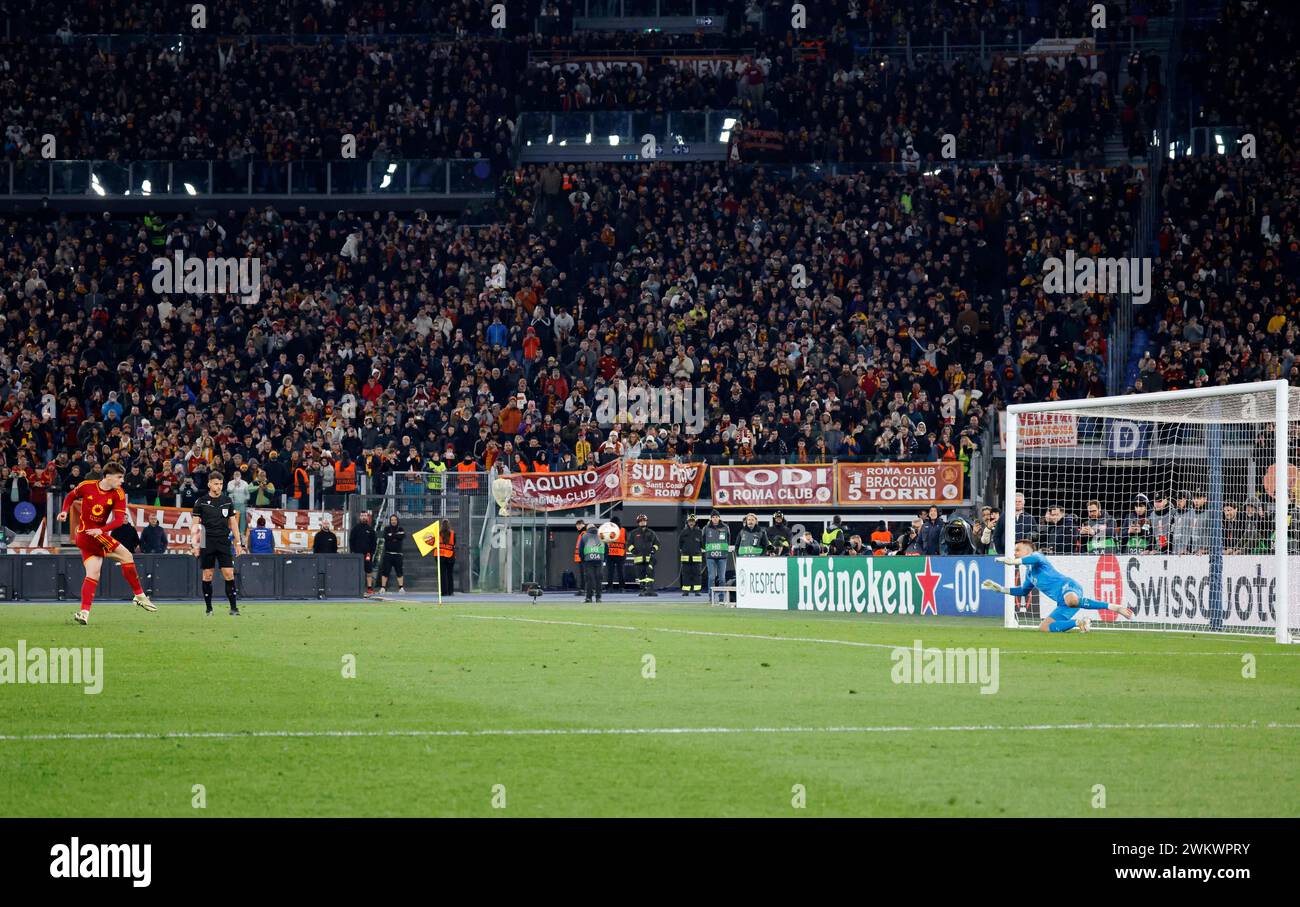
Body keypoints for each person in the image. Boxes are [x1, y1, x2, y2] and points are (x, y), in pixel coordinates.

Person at [56, 460, 156, 624]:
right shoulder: (87, 485)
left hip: (92, 536)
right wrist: (64, 511)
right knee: (127, 556)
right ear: (108, 477)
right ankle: (139, 596)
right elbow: (70, 496)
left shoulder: (119, 494)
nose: (122, 481)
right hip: (89, 536)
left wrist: (100, 530)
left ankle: (84, 612)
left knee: (93, 574)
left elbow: (118, 521)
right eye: (119, 477)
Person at [982, 539, 1134, 633]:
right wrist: (1001, 589)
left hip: (1068, 587)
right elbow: (1022, 591)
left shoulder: (1038, 556)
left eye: (1017, 550)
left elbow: (1028, 560)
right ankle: (1079, 623)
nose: (1014, 552)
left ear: (1028, 551)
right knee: (1044, 628)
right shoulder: (1029, 574)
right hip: (1062, 602)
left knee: (1072, 601)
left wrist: (1012, 562)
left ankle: (1115, 607)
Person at [191, 472, 244, 616]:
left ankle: (234, 608)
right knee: (207, 575)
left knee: (228, 573)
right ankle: (209, 609)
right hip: (206, 542)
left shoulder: (227, 501)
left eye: (220, 484)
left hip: (223, 542)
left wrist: (238, 543)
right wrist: (195, 545)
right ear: (209, 484)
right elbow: (196, 525)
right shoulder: (200, 502)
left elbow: (233, 523)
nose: (218, 486)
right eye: (216, 483)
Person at [627, 513, 660, 596]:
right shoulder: (633, 533)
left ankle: (650, 591)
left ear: (646, 522)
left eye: (644, 521)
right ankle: (643, 591)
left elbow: (657, 543)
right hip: (639, 559)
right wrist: (633, 550)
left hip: (649, 559)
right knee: (641, 576)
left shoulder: (651, 533)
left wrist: (653, 550)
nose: (642, 522)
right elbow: (629, 544)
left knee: (650, 575)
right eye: (641, 521)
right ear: (638, 522)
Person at [703, 511, 730, 602]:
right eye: (713, 517)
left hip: (722, 556)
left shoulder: (725, 527)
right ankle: (711, 597)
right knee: (711, 577)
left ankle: (722, 598)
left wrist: (723, 550)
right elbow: (703, 541)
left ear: (719, 517)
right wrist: (708, 550)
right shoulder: (706, 528)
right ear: (711, 518)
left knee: (722, 578)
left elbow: (728, 540)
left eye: (716, 517)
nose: (715, 518)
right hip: (710, 556)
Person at [349, 512, 378, 594]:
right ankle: (355, 588)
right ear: (360, 517)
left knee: (369, 571)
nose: (364, 517)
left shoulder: (370, 529)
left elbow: (374, 543)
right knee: (356, 571)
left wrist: (371, 553)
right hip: (357, 554)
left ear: (367, 517)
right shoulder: (355, 529)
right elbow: (351, 541)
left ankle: (369, 588)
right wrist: (353, 551)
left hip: (367, 555)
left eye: (365, 516)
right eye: (362, 516)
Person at [378, 514, 406, 594]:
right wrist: (396, 536)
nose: (393, 521)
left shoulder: (401, 528)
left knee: (399, 571)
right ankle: (383, 588)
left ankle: (401, 588)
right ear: (390, 521)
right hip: (388, 554)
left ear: (397, 520)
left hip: (398, 554)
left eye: (395, 520)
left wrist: (392, 536)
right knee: (385, 571)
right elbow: (386, 537)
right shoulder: (387, 528)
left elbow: (402, 536)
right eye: (392, 520)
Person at [578, 521, 605, 603]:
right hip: (599, 560)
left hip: (588, 560)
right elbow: (606, 549)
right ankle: (598, 598)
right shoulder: (601, 535)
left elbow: (581, 550)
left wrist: (583, 559)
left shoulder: (584, 536)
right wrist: (603, 558)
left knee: (589, 580)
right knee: (598, 580)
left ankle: (589, 598)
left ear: (587, 529)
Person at [678, 514, 704, 595]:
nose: (691, 523)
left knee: (697, 574)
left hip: (697, 557)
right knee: (686, 575)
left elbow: (702, 544)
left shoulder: (699, 532)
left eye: (693, 521)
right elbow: (680, 544)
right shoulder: (683, 532)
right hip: (686, 558)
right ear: (687, 522)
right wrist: (684, 551)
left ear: (695, 522)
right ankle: (686, 590)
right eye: (690, 521)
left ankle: (697, 591)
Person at [605, 515, 627, 592]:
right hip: (620, 554)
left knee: (610, 572)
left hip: (610, 554)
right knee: (620, 572)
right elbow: (625, 542)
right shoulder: (623, 530)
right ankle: (622, 588)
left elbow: (605, 542)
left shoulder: (608, 530)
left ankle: (609, 588)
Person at [436, 518, 455, 595]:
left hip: (440, 556)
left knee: (442, 575)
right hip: (450, 556)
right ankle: (450, 591)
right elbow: (454, 543)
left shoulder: (438, 534)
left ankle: (443, 592)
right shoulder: (452, 533)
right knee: (450, 574)